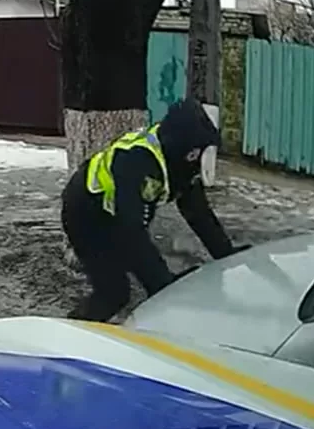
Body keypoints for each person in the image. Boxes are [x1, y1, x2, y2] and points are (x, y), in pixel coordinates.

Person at [60, 98, 245, 322]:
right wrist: (162, 281)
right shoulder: (136, 161)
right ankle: (71, 333)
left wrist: (226, 256)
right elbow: (130, 231)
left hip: (118, 216)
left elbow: (198, 214)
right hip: (85, 216)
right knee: (114, 293)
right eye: (201, 153)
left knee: (153, 281)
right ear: (190, 151)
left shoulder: (178, 161)